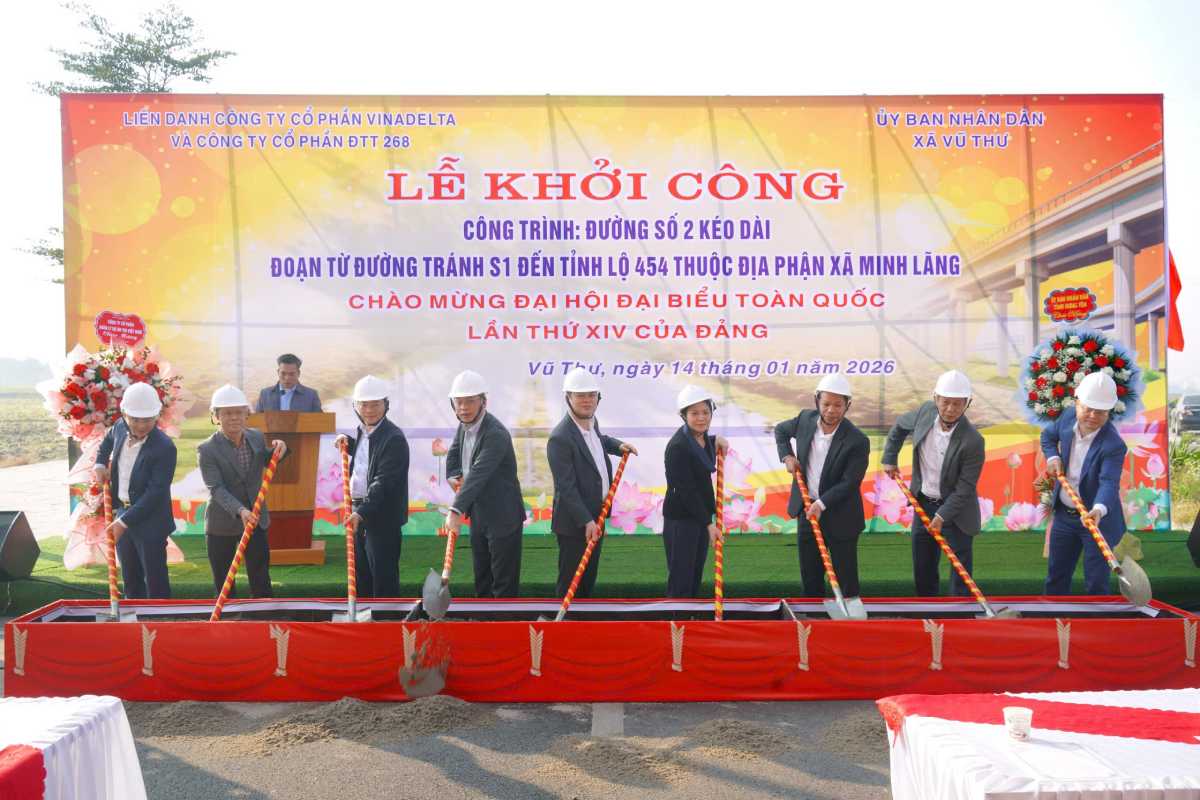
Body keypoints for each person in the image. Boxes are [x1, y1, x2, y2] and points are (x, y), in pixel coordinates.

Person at [881, 370, 986, 597]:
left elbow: (965, 488)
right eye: (945, 402)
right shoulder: (925, 413)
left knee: (960, 571)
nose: (950, 409)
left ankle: (960, 614)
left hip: (956, 512)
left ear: (967, 403)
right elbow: (899, 427)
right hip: (923, 504)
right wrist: (890, 457)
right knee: (923, 567)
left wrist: (942, 516)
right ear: (935, 398)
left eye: (957, 404)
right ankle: (927, 612)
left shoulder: (973, 441)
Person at [773, 373, 870, 599]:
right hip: (807, 511)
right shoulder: (805, 420)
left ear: (848, 405)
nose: (831, 410)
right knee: (810, 574)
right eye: (826, 404)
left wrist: (821, 503)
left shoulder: (857, 440)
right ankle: (812, 616)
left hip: (841, 516)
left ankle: (849, 615)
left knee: (845, 576)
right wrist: (787, 456)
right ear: (817, 400)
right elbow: (780, 431)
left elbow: (850, 482)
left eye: (838, 405)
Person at [546, 367, 637, 598]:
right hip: (576, 523)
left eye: (591, 395)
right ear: (568, 398)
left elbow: (598, 441)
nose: (587, 400)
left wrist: (617, 446)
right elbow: (566, 488)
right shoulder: (560, 438)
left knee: (587, 580)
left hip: (597, 516)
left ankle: (584, 618)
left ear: (598, 397)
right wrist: (586, 521)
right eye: (580, 395)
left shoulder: (590, 423)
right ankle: (563, 620)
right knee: (570, 582)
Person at [1041, 371, 1129, 595]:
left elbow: (1108, 483)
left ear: (1109, 411)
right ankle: (1053, 617)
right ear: (1077, 402)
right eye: (1087, 408)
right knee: (1056, 578)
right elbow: (1048, 437)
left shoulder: (1114, 445)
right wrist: (1053, 457)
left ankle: (1097, 619)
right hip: (1064, 516)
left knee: (1096, 583)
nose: (1092, 416)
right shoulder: (1068, 417)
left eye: (1100, 412)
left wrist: (1098, 510)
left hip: (1097, 521)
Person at [197, 384, 287, 598]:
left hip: (256, 518)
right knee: (224, 580)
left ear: (247, 414)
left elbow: (267, 460)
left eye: (239, 412)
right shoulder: (207, 449)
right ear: (216, 416)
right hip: (222, 522)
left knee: (260, 575)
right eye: (227, 413)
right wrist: (240, 510)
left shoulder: (256, 437)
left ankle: (263, 615)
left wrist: (280, 449)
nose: (234, 418)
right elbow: (216, 488)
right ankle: (229, 616)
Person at [445, 370, 526, 598]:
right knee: (482, 577)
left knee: (503, 582)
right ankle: (482, 617)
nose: (464, 407)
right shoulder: (464, 425)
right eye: (459, 402)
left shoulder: (496, 433)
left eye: (470, 401)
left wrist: (455, 509)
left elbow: (479, 473)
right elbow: (454, 455)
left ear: (483, 402)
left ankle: (504, 620)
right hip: (479, 513)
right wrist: (453, 476)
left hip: (503, 516)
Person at [93, 382, 178, 599]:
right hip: (123, 512)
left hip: (151, 520)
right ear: (124, 414)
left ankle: (160, 617)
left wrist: (123, 522)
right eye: (136, 419)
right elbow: (106, 442)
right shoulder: (120, 427)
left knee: (155, 580)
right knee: (130, 577)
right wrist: (100, 464)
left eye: (148, 419)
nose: (141, 425)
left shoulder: (165, 447)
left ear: (157, 416)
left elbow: (155, 493)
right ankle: (134, 616)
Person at [335, 375, 410, 598]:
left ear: (386, 405)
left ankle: (386, 618)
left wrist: (361, 512)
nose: (369, 410)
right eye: (364, 405)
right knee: (361, 575)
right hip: (359, 511)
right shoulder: (363, 430)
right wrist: (348, 442)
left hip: (382, 516)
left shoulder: (394, 438)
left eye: (375, 404)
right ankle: (364, 617)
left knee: (383, 577)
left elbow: (383, 482)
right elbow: (369, 456)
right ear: (355, 406)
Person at [663, 385, 729, 598]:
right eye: (694, 413)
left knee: (694, 574)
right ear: (684, 416)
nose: (701, 418)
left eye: (705, 412)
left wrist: (715, 439)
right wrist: (709, 524)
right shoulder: (677, 447)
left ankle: (689, 616)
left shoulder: (701, 436)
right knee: (681, 577)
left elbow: (701, 450)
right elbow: (686, 492)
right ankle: (676, 618)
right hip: (681, 519)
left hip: (700, 516)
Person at [255, 353, 322, 412]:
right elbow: (257, 419)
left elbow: (320, 420)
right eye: (283, 373)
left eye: (291, 374)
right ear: (278, 372)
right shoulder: (265, 394)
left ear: (298, 373)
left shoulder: (311, 395)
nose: (287, 378)